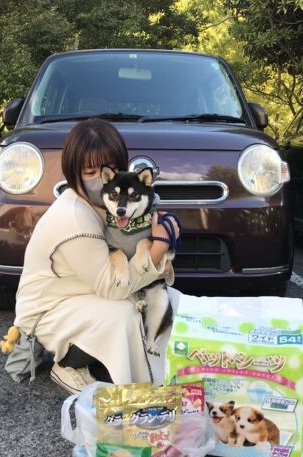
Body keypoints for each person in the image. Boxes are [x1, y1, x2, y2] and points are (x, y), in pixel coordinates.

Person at [13, 119, 180, 394]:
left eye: (109, 168)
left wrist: (156, 250)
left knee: (165, 302)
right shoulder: (74, 217)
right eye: (90, 171)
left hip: (81, 296)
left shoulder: (103, 204)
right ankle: (68, 364)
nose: (100, 176)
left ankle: (169, 367)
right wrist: (159, 247)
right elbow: (112, 287)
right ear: (73, 172)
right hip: (49, 314)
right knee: (125, 314)